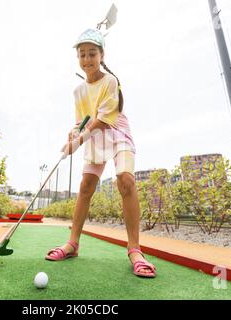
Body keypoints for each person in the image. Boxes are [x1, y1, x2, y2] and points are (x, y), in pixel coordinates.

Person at [44, 28, 157, 278]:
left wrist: (81, 138)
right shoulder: (78, 91)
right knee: (85, 186)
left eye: (92, 53)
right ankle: (72, 244)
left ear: (102, 55)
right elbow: (81, 122)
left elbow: (104, 121)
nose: (87, 60)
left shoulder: (110, 82)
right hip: (94, 138)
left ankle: (135, 250)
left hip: (117, 133)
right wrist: (73, 135)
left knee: (125, 180)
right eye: (82, 55)